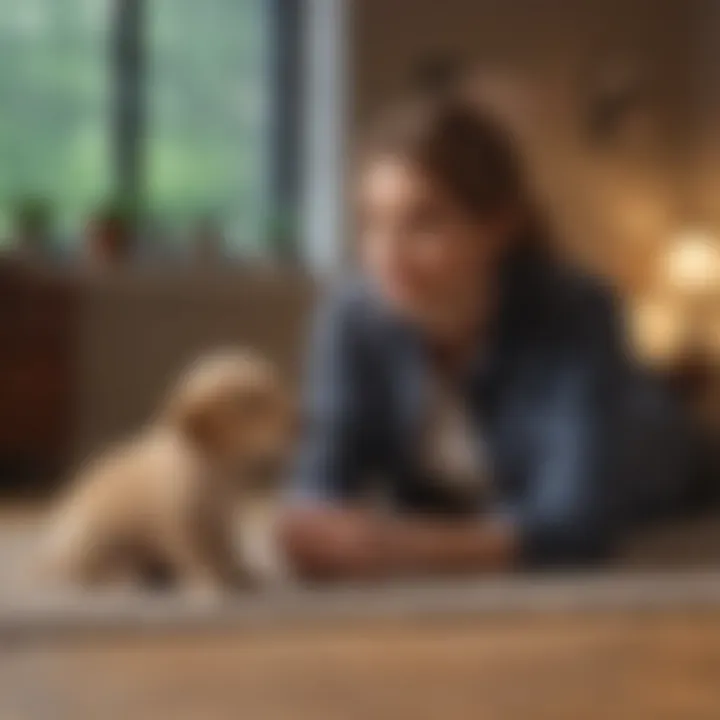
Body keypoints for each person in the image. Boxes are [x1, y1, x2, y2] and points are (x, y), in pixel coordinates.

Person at [281, 83, 632, 580]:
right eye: (373, 223)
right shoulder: (351, 317)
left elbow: (577, 524)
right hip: (475, 505)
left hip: (654, 454)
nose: (388, 255)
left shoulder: (576, 312)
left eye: (423, 222)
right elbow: (320, 484)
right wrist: (313, 526)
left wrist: (398, 544)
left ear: (498, 226)